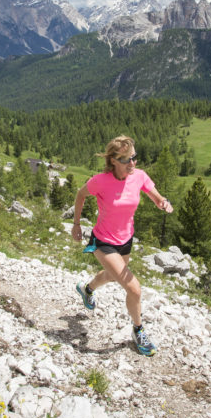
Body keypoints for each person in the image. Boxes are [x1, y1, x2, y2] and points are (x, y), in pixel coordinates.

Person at [71, 135, 173, 356]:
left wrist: (163, 203)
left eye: (134, 157)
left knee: (110, 276)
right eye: (126, 159)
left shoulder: (139, 177)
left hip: (126, 240)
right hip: (103, 241)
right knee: (134, 288)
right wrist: (76, 224)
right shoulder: (100, 181)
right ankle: (138, 331)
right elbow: (80, 195)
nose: (132, 163)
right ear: (113, 160)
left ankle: (86, 289)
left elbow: (156, 197)